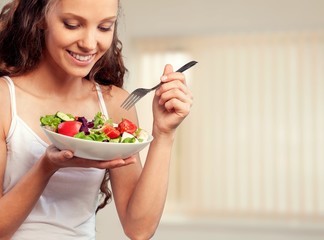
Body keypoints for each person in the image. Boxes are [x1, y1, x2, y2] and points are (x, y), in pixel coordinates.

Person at [0, 0, 193, 239]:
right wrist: (47, 167)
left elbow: (139, 229)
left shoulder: (115, 105)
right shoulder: (4, 99)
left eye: (104, 27)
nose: (89, 44)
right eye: (72, 25)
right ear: (40, 20)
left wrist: (164, 134)